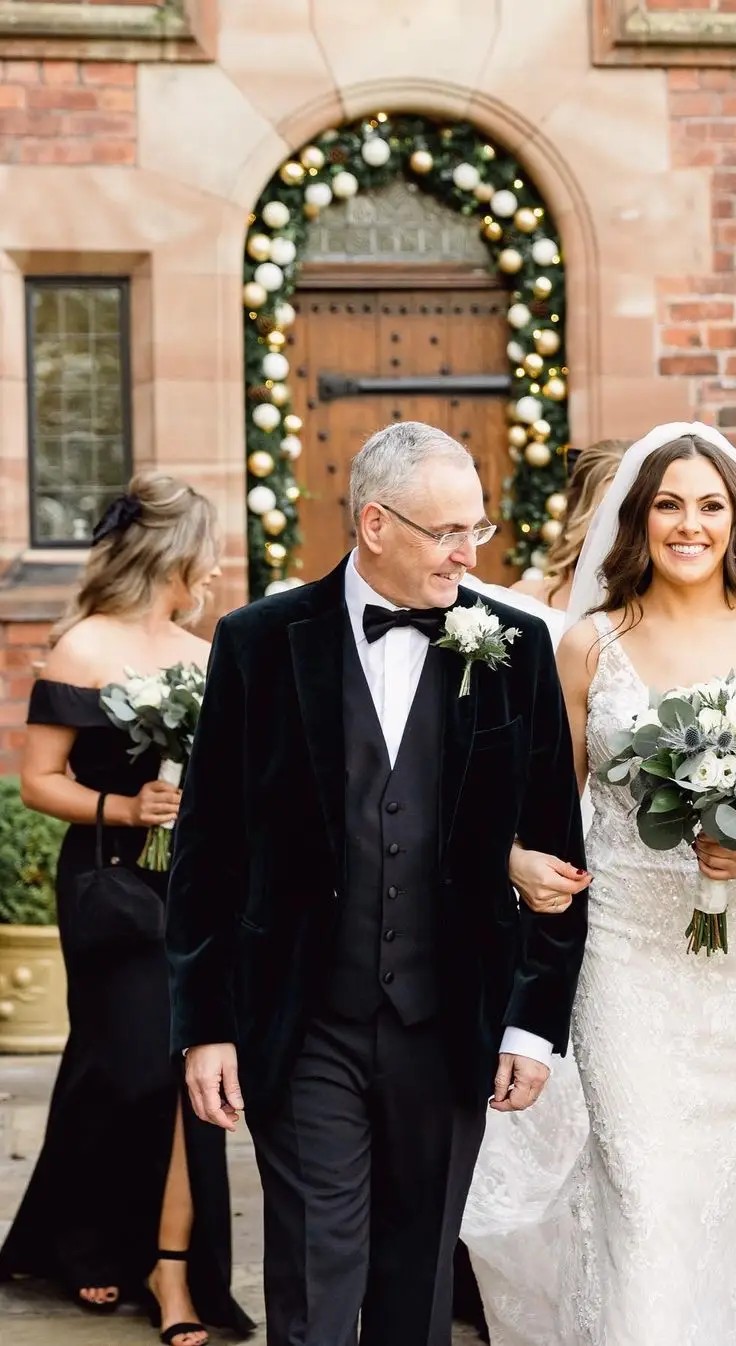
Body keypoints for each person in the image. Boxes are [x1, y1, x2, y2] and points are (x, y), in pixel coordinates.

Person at [165, 421, 588, 1346]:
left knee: (418, 1283)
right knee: (317, 1286)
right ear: (374, 524)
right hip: (302, 1016)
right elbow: (208, 850)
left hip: (448, 1024)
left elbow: (557, 848)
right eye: (446, 533)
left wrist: (530, 1023)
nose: (467, 554)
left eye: (476, 530)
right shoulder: (259, 644)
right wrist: (205, 1025)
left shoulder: (514, 646)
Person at [544, 421, 736, 1345]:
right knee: (638, 1185)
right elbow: (555, 806)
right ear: (638, 520)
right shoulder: (589, 645)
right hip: (626, 951)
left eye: (710, 506)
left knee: (719, 1188)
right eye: (669, 504)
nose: (689, 524)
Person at [0, 475, 252, 1346]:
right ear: (172, 552)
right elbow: (40, 783)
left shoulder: (203, 651)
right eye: (206, 545)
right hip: (108, 886)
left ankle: (169, 1267)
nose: (213, 564)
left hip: (187, 888)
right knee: (128, 1070)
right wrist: (123, 809)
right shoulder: (81, 648)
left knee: (186, 1070)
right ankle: (89, 1239)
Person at [457, 440, 628, 1343]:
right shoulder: (507, 614)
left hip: (635, 887)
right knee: (530, 1111)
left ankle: (614, 1295)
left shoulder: (660, 617)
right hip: (543, 888)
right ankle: (513, 1294)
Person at [510, 439, 630, 612]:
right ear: (577, 513)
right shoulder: (524, 599)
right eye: (605, 513)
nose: (620, 527)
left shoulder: (657, 616)